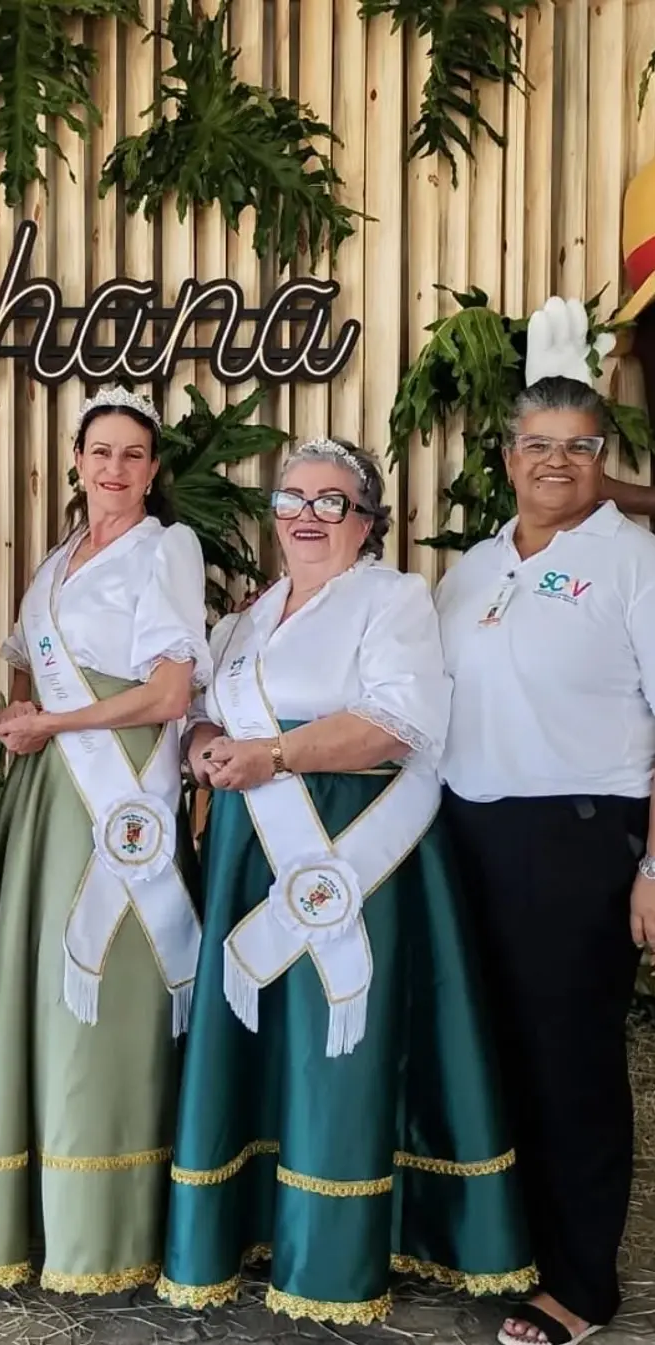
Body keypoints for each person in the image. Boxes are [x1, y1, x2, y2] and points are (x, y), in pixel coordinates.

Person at [158, 440, 532, 1325]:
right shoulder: (250, 616)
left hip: (358, 846)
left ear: (367, 521)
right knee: (269, 1037)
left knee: (340, 1041)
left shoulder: (393, 597)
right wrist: (207, 742)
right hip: (260, 847)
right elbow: (205, 705)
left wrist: (274, 753)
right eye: (293, 498)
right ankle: (255, 1226)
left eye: (333, 501)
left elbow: (398, 724)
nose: (307, 515)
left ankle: (336, 1251)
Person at [0, 386, 211, 1294]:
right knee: (43, 987)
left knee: (107, 988)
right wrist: (25, 714)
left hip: (118, 788)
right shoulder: (62, 555)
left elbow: (169, 694)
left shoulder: (167, 549)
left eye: (133, 454)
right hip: (52, 789)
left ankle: (109, 1227)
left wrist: (56, 721)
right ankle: (35, 1218)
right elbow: (29, 665)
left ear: (155, 469)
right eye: (100, 452)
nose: (115, 468)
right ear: (77, 461)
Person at [437, 328, 655, 1345]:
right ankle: (506, 1244)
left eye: (577, 442)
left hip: (577, 837)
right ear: (508, 457)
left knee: (570, 1063)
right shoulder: (472, 569)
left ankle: (581, 1284)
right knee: (490, 1053)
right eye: (536, 442)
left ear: (601, 455)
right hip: (462, 836)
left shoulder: (632, 560)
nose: (554, 459)